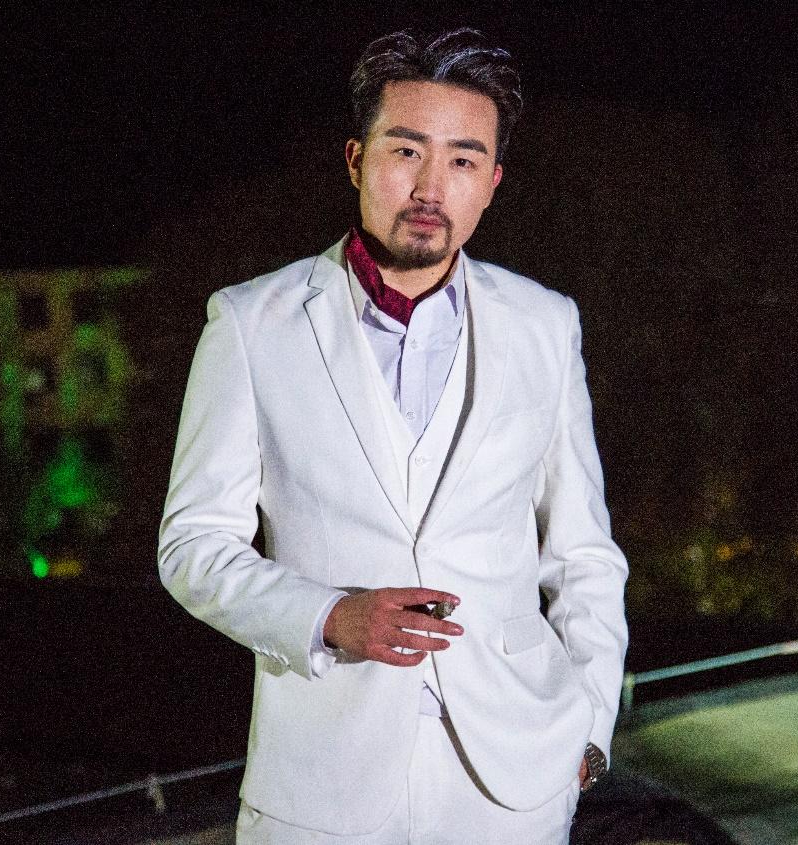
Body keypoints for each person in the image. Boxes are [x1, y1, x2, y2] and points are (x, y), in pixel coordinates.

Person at [158, 27, 628, 844]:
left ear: (492, 182)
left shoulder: (544, 324)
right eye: (405, 151)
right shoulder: (249, 323)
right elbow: (192, 545)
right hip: (320, 780)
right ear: (355, 159)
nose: (430, 186)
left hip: (513, 782)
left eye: (463, 160)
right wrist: (327, 614)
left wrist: (587, 728)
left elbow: (583, 553)